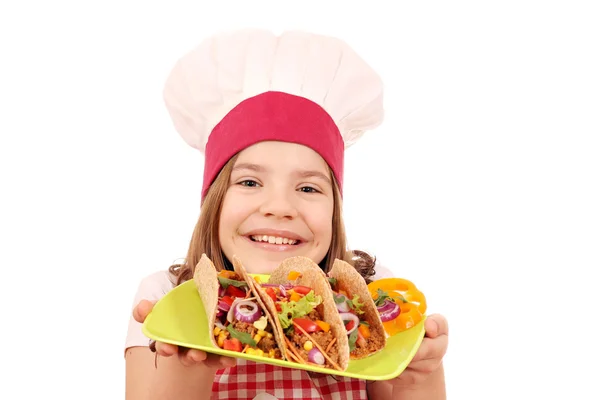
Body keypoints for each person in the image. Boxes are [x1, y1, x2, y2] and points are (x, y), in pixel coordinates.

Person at [124, 28, 449, 400]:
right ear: (214, 201)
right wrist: (184, 357)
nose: (279, 207)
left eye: (308, 188)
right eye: (249, 182)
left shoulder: (368, 303)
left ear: (334, 211)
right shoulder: (165, 295)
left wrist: (418, 377)